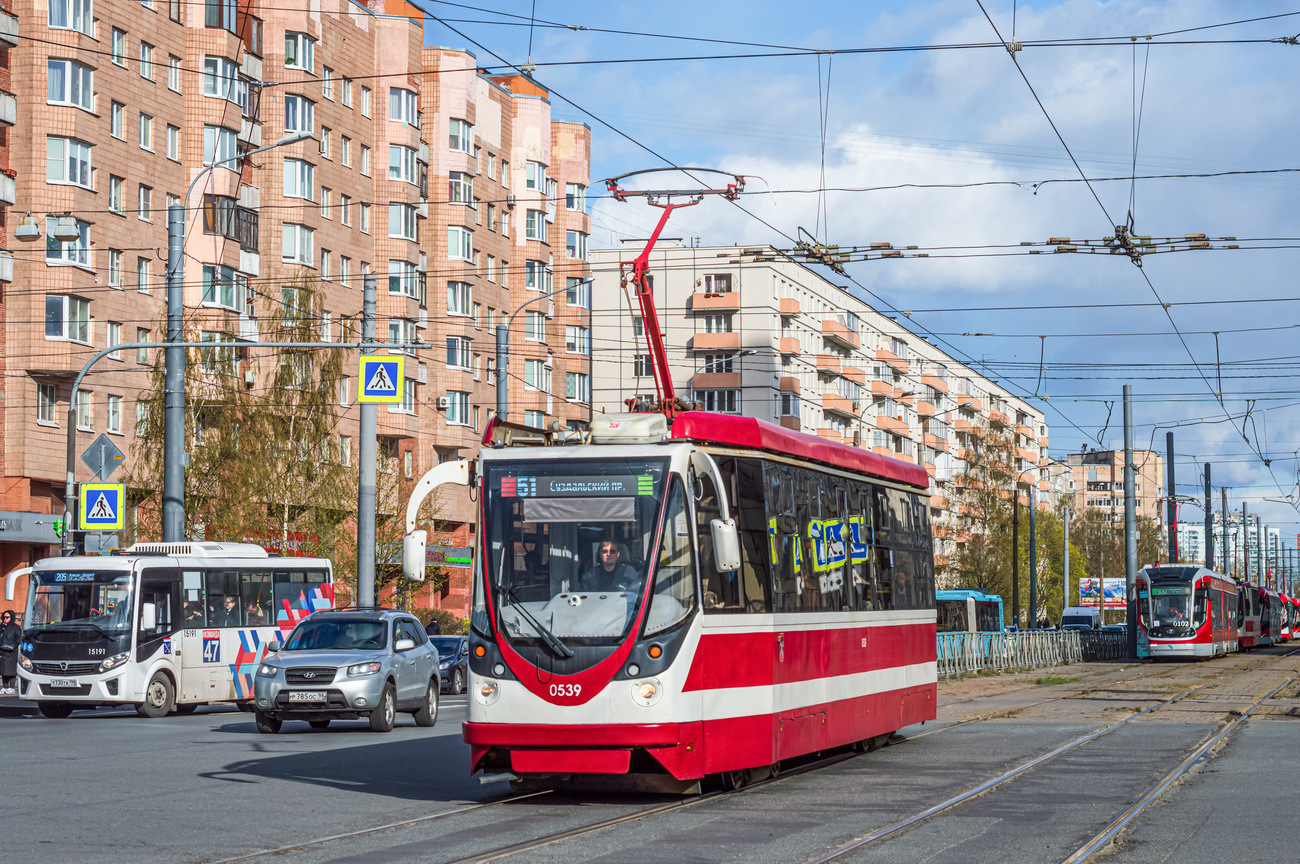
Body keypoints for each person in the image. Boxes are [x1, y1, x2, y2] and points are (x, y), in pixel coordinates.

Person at [0, 610, 21, 695]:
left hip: (11, 651)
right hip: (2, 651)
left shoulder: (15, 627)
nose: (5, 619)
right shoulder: (1, 627)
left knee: (11, 670)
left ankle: (11, 687)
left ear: (11, 617)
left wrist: (12, 645)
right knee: (3, 670)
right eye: (4, 617)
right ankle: (4, 686)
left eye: (7, 617)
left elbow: (18, 639)